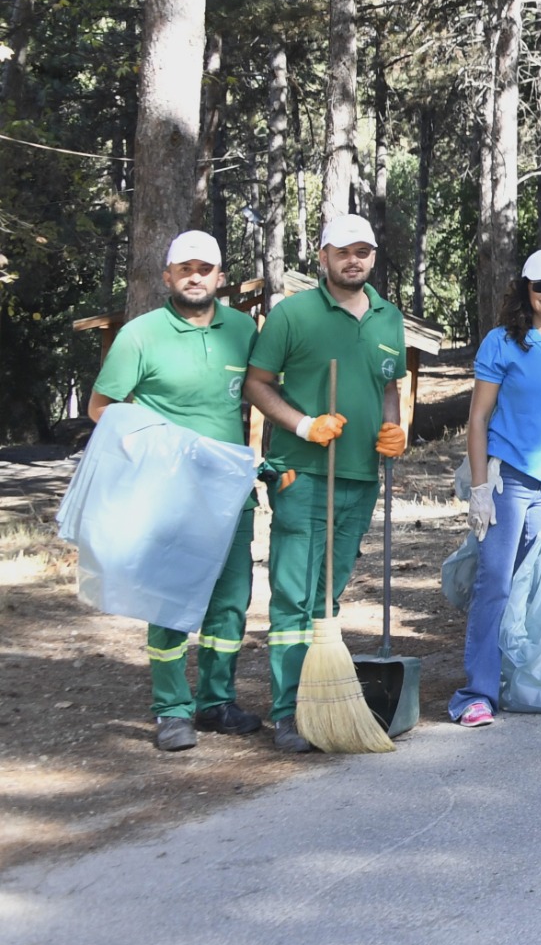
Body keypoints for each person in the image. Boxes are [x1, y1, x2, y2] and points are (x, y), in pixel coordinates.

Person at [88, 231, 264, 751]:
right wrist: (152, 441)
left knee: (230, 603)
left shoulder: (242, 330)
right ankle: (171, 710)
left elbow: (258, 393)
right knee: (168, 602)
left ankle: (216, 702)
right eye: (184, 268)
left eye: (204, 268)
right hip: (168, 494)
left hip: (230, 491)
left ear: (220, 278)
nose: (194, 276)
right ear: (166, 277)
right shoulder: (140, 336)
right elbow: (101, 407)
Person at [244, 213, 408, 754]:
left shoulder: (388, 318)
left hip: (361, 475)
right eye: (343, 251)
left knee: (328, 596)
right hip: (304, 472)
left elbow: (388, 385)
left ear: (373, 257)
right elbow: (256, 384)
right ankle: (289, 713)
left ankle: (321, 699)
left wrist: (394, 428)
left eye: (363, 250)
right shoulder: (293, 314)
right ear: (323, 258)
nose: (353, 259)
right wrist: (302, 424)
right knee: (294, 594)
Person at [453, 250, 541, 726]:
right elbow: (477, 418)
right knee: (494, 582)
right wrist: (479, 487)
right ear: (526, 289)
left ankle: (528, 680)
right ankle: (476, 692)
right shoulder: (502, 342)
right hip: (509, 479)